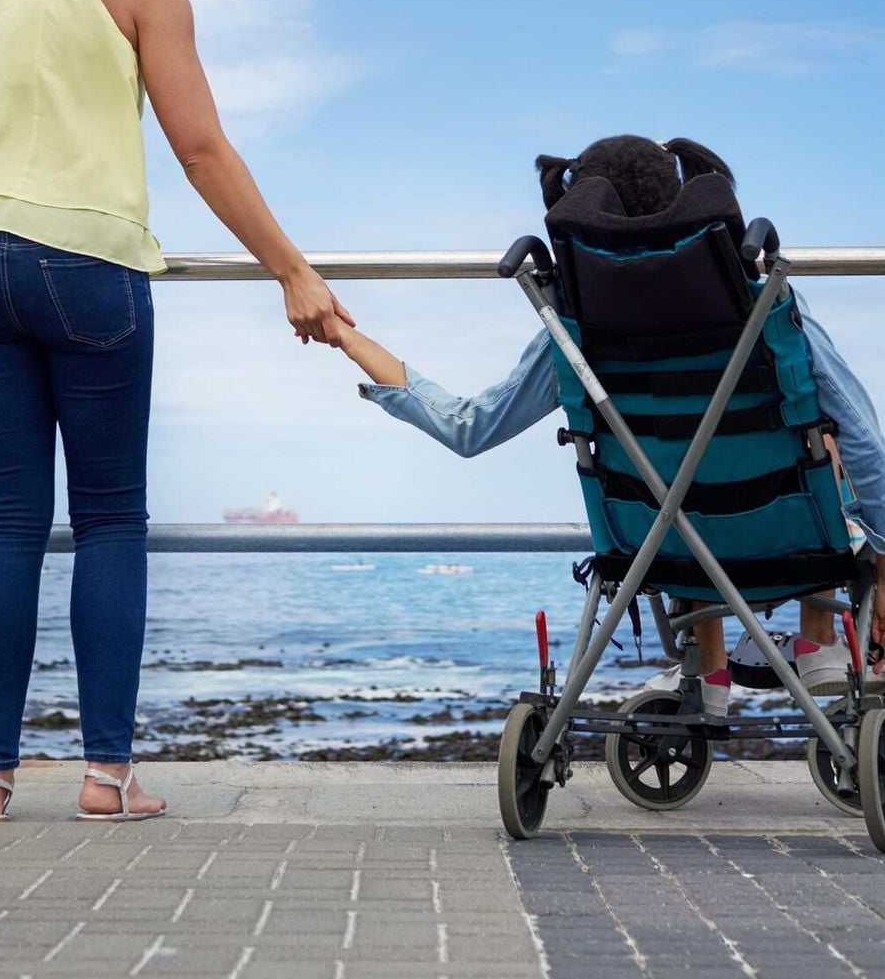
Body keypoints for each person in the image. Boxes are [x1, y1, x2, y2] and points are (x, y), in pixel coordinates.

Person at [0, 0, 353, 821]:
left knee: (7, 520)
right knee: (110, 518)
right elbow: (198, 147)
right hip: (88, 258)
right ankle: (106, 776)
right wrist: (291, 268)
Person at [324, 135, 885, 715]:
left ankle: (707, 670)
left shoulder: (574, 331)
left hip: (658, 545)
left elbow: (470, 426)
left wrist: (346, 338)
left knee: (669, 476)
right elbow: (867, 443)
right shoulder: (769, 308)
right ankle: (820, 645)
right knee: (819, 440)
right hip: (791, 535)